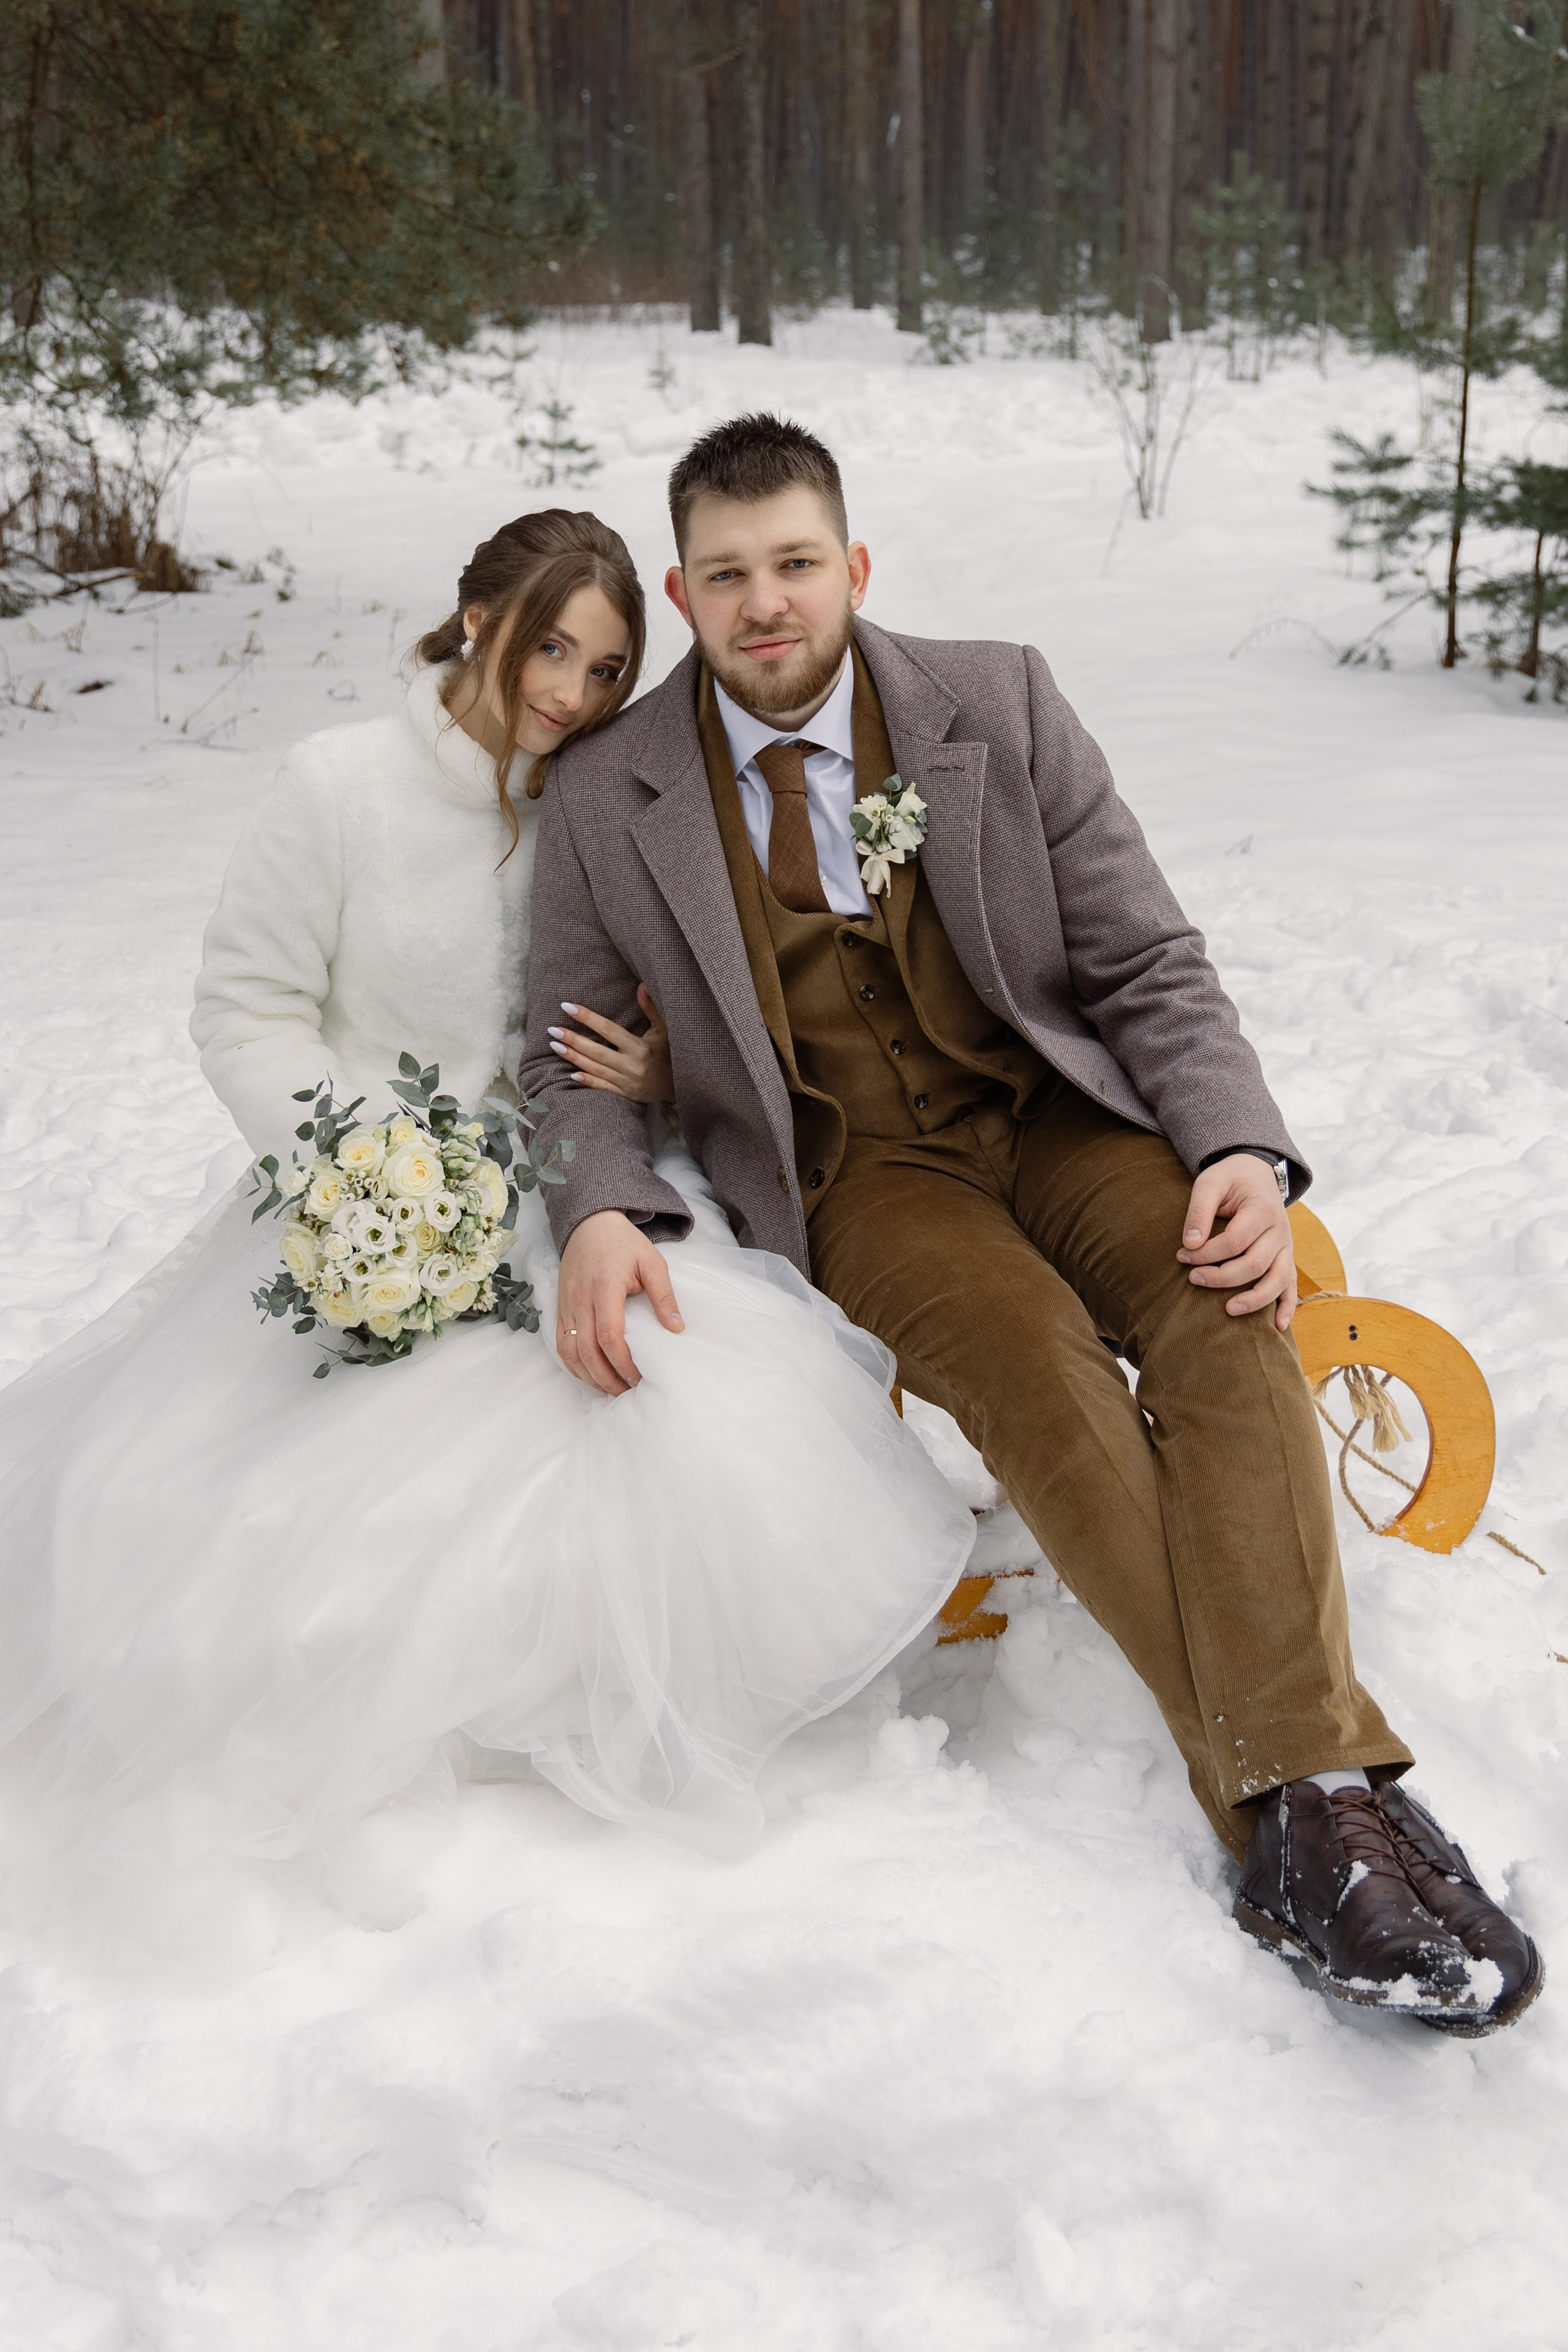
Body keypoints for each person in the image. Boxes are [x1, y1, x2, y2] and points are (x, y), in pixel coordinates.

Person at [520, 417, 1544, 2037]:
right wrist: (597, 1204)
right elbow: (563, 1050)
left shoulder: (993, 701)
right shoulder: (606, 792)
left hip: (1059, 1115)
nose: (765, 603)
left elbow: (1144, 957)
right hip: (862, 1176)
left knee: (1225, 1312)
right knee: (1036, 1368)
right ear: (684, 590)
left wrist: (1238, 1151)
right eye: (727, 576)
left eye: (795, 564)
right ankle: (1320, 1795)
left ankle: (1295, 1813)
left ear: (851, 567)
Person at [0, 507, 974, 1945]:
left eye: (605, 666)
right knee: (344, 1484)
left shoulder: (604, 801)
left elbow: (654, 1001)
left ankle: (684, 1684)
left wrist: (651, 1074)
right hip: (364, 1193)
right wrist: (369, 1173)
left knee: (680, 1390)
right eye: (549, 650)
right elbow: (244, 1011)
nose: (571, 695)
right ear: (473, 618)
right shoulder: (336, 788)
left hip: (574, 1177)